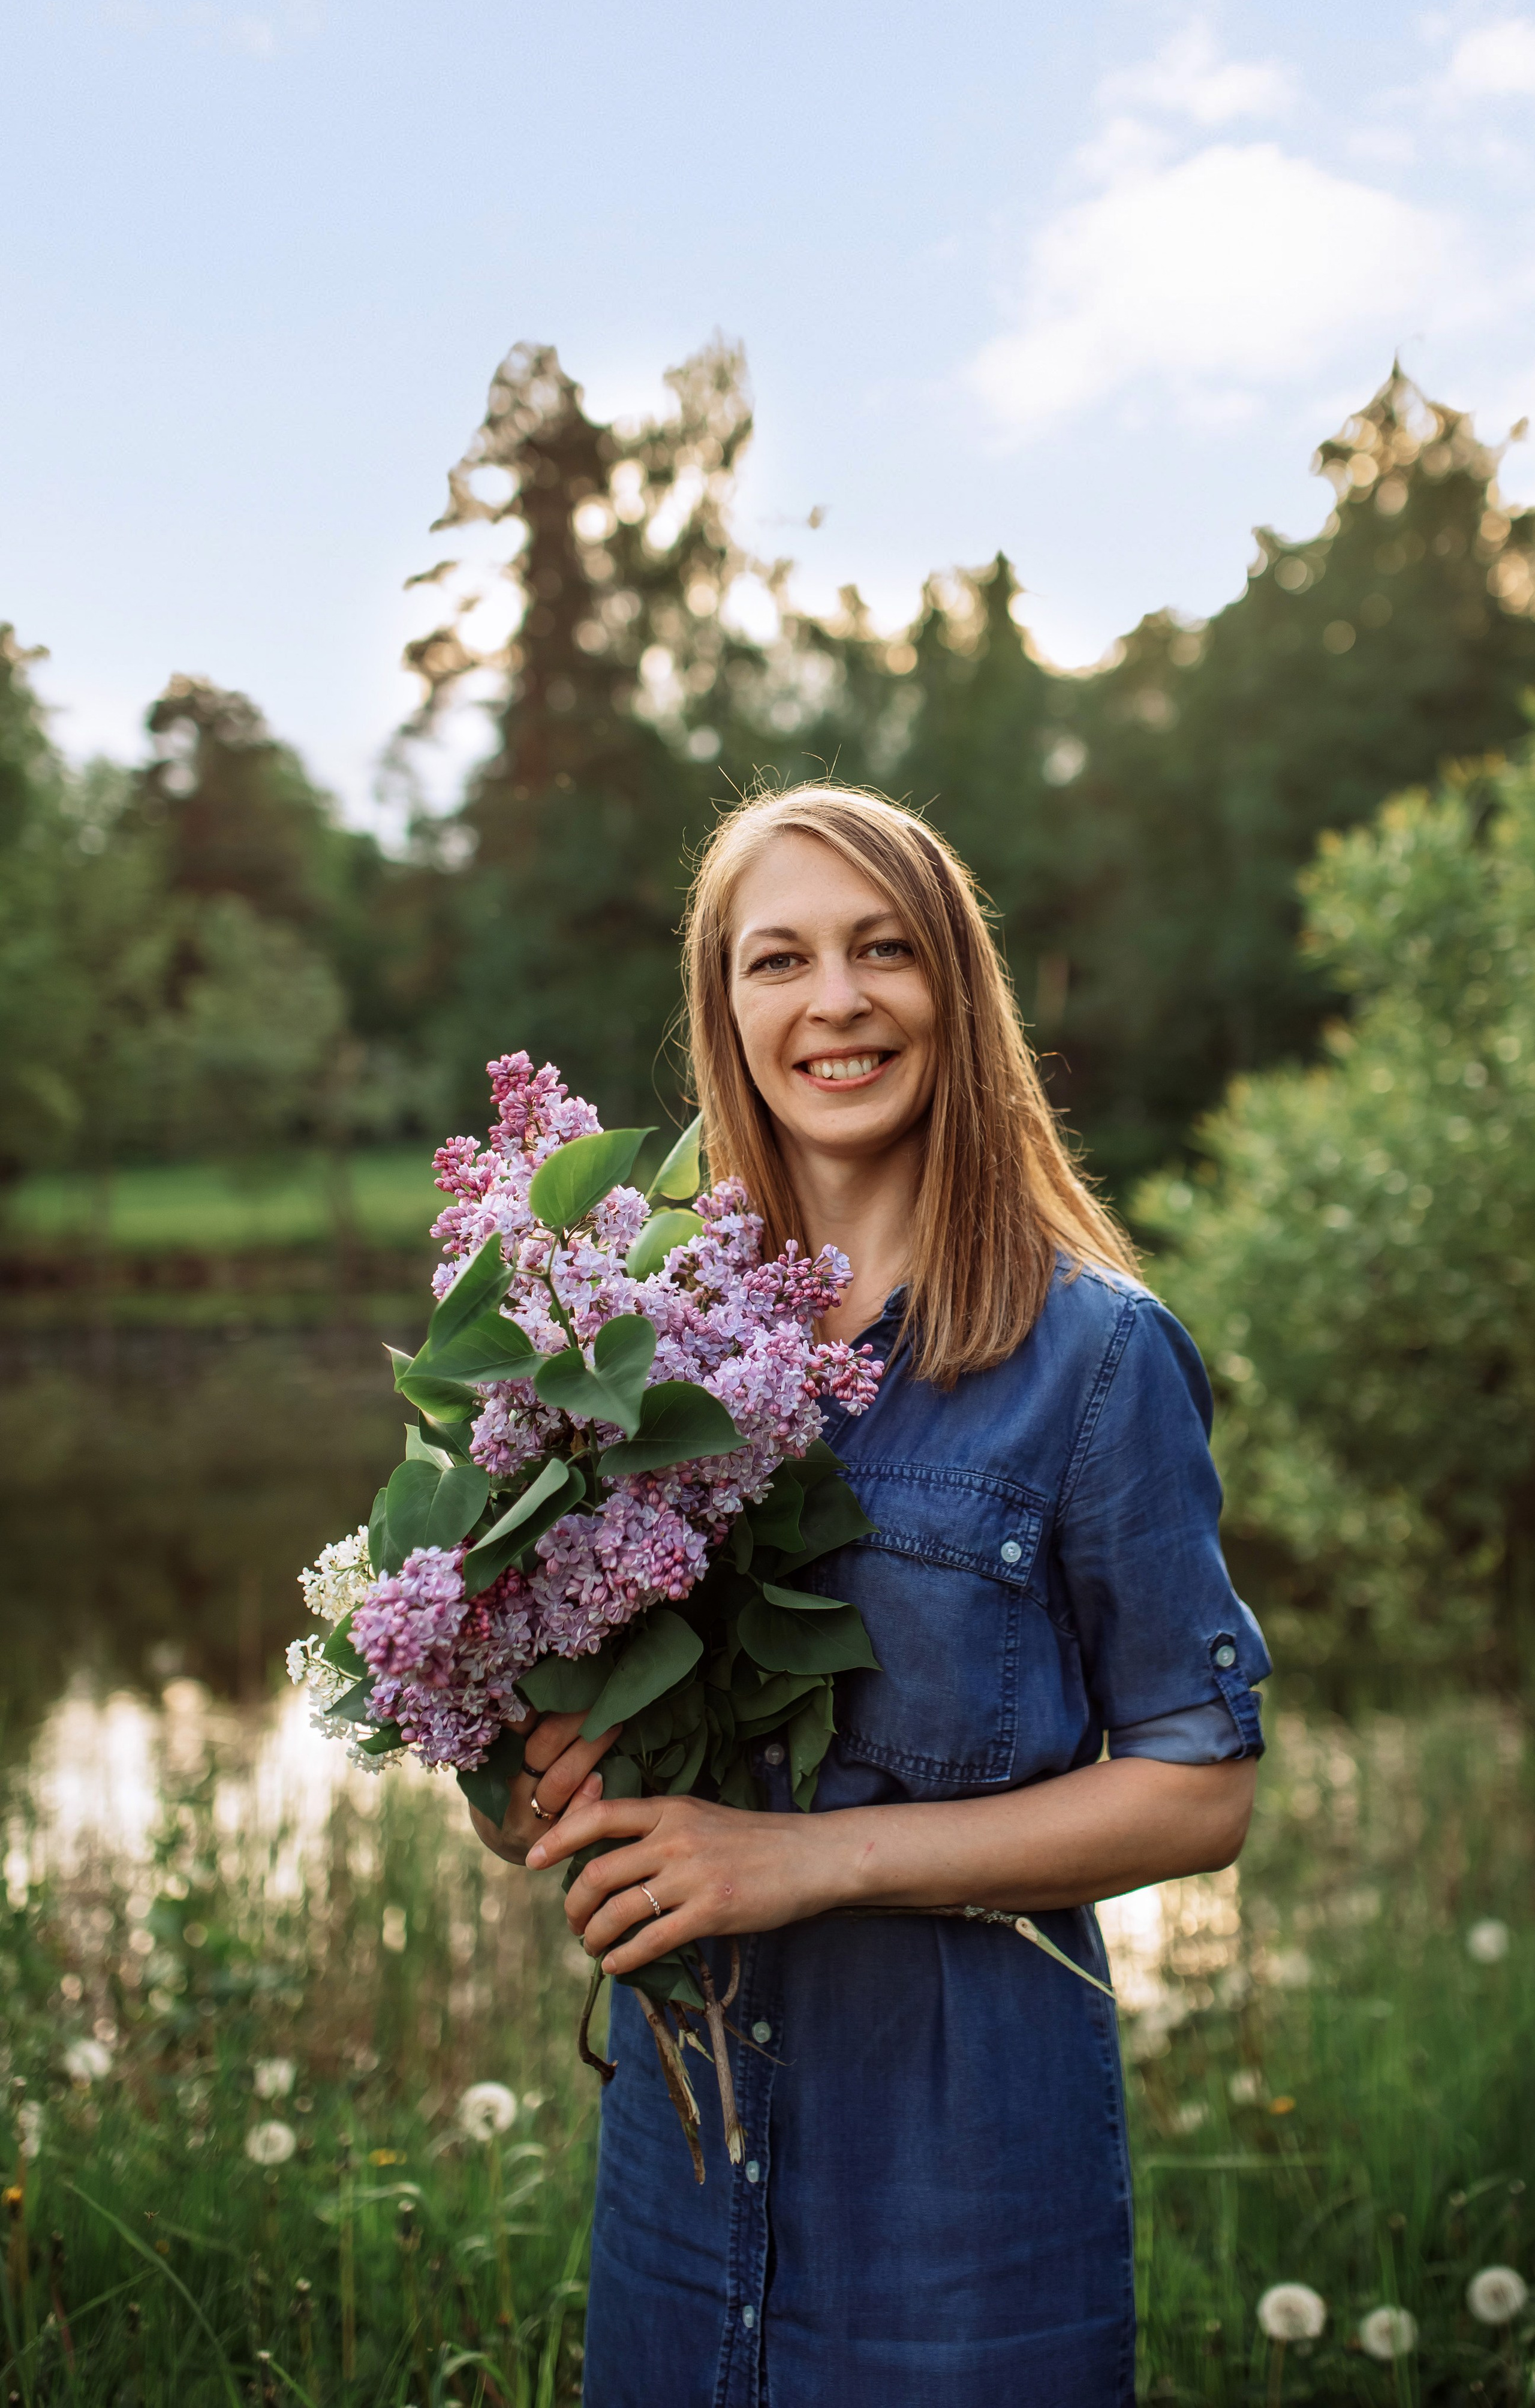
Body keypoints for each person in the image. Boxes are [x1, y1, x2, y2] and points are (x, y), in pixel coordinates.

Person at [469, 784, 1270, 2408]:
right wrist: (540, 1778)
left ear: (953, 993)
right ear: (729, 1008)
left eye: (880, 950)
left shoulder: (1096, 1358)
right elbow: (594, 1768)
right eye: (779, 960)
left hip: (962, 2188)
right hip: (684, 2166)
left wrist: (806, 1859)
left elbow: (1204, 1788)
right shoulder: (631, 1348)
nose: (832, 999)